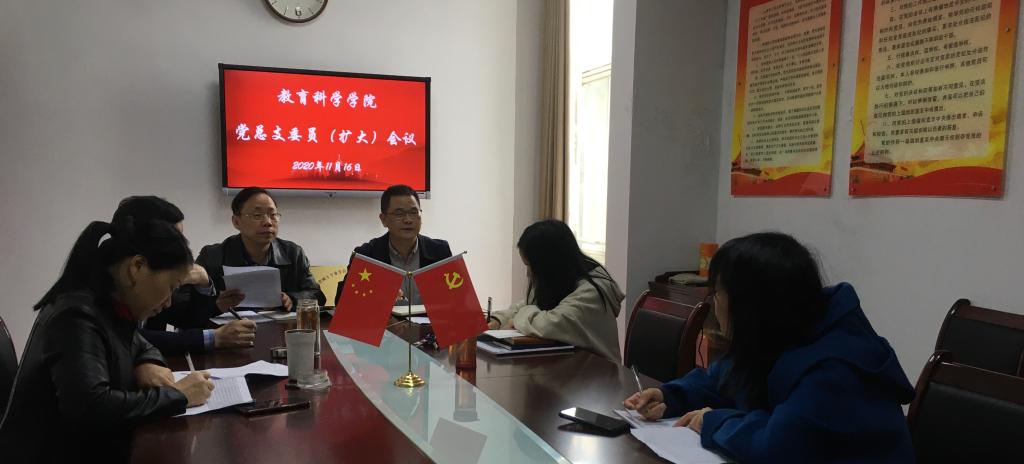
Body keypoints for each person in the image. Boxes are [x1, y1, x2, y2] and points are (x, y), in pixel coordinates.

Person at [623, 232, 915, 463]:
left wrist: (713, 420)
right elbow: (721, 378)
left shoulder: (835, 368)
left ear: (751, 306)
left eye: (719, 293)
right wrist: (671, 395)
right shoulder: (781, 333)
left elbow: (777, 446)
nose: (714, 303)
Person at [0, 207, 215, 463]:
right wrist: (179, 395)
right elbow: (91, 408)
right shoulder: (76, 315)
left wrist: (147, 362)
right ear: (137, 267)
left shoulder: (109, 304)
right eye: (171, 287)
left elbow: (140, 342)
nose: (168, 302)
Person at [111, 196, 257, 355]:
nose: (180, 248)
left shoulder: (154, 277)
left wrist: (204, 283)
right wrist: (213, 337)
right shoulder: (104, 293)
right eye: (174, 240)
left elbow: (188, 321)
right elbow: (130, 338)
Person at [488, 219, 624, 362]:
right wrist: (499, 319)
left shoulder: (591, 292)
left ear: (549, 263)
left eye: (530, 265)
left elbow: (549, 324)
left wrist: (516, 320)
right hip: (567, 367)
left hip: (598, 372)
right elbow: (527, 304)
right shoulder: (560, 279)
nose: (528, 273)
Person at [183, 187, 325, 319]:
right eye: (257, 215)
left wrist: (292, 299)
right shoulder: (213, 256)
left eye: (273, 215)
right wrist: (216, 305)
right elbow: (184, 305)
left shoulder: (292, 253)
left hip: (280, 331)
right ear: (236, 222)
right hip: (229, 332)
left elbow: (317, 295)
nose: (268, 222)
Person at [337, 184, 452, 305]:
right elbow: (342, 302)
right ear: (384, 219)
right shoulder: (367, 255)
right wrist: (377, 295)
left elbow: (458, 297)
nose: (408, 220)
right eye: (399, 214)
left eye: (414, 212)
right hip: (385, 318)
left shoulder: (440, 251)